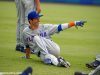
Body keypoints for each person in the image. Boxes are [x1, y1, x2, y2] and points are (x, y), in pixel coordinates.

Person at [22, 10, 86, 67]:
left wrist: (74, 23)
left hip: (53, 48)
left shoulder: (45, 27)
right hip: (41, 54)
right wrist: (27, 57)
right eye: (36, 18)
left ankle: (48, 57)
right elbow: (27, 46)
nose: (39, 20)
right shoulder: (25, 32)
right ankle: (59, 61)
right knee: (49, 60)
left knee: (36, 38)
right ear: (30, 21)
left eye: (39, 18)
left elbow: (60, 27)